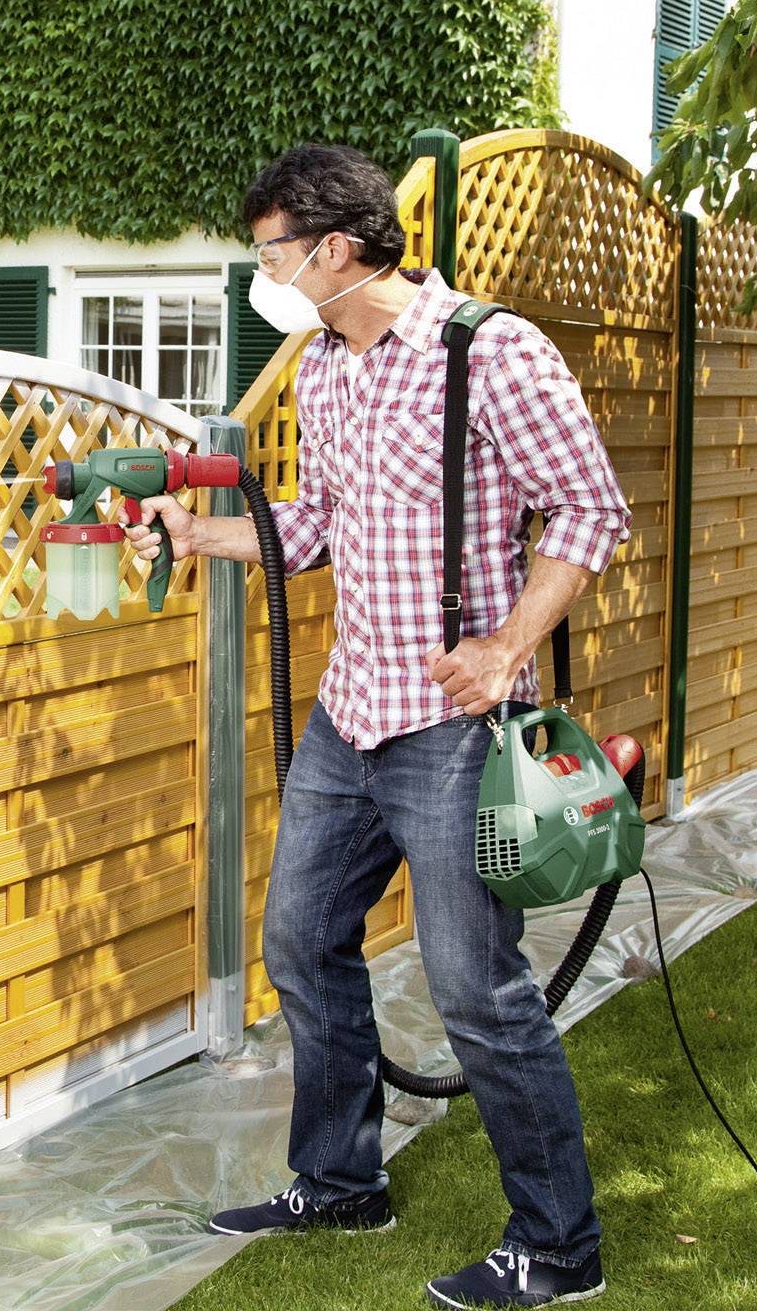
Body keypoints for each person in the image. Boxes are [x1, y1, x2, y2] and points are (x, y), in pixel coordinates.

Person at [126, 143, 633, 1309]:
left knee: (476, 991)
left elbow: (589, 510)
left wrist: (506, 645)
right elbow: (320, 528)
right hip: (348, 716)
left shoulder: (488, 352)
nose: (266, 274)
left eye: (272, 254)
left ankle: (560, 1243)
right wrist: (205, 540)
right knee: (301, 942)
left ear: (335, 250)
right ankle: (343, 1180)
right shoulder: (326, 369)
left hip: (452, 727)